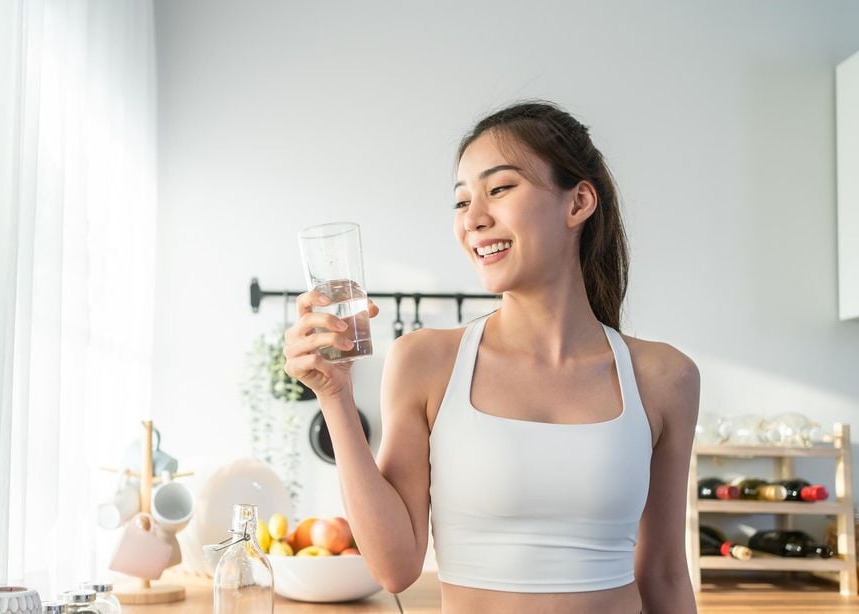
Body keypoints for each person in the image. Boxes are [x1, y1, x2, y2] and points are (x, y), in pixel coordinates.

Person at [284, 100, 699, 614]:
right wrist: (334, 394)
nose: (474, 219)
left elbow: (663, 573)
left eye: (500, 189)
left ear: (578, 203)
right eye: (462, 202)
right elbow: (394, 567)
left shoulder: (664, 377)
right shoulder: (426, 362)